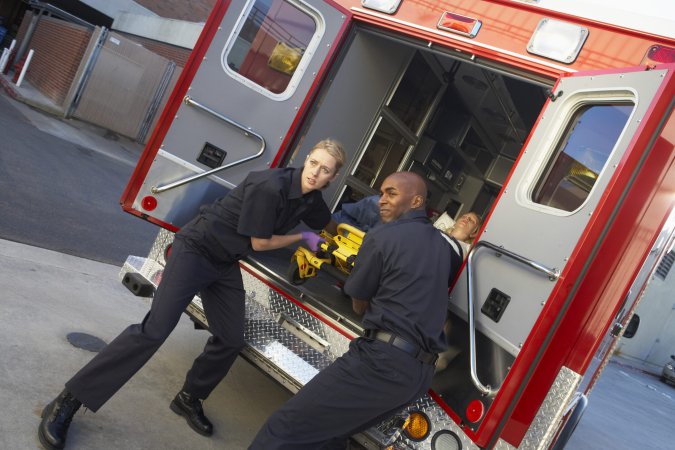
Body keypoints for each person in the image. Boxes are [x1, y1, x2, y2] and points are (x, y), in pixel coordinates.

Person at [38, 139, 346, 450]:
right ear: (306, 160)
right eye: (314, 164)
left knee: (230, 338)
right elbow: (259, 244)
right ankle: (68, 401)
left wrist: (352, 247)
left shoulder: (312, 199)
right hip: (196, 249)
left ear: (332, 178)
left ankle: (189, 397)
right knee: (154, 331)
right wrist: (303, 237)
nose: (316, 173)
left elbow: (329, 224)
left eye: (325, 171)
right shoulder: (271, 187)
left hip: (224, 262)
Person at [249, 171, 461, 449]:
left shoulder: (383, 236)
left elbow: (358, 300)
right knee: (330, 435)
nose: (381, 200)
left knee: (286, 426)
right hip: (417, 377)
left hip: (380, 363)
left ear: (416, 200)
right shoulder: (451, 249)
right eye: (382, 192)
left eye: (391, 194)